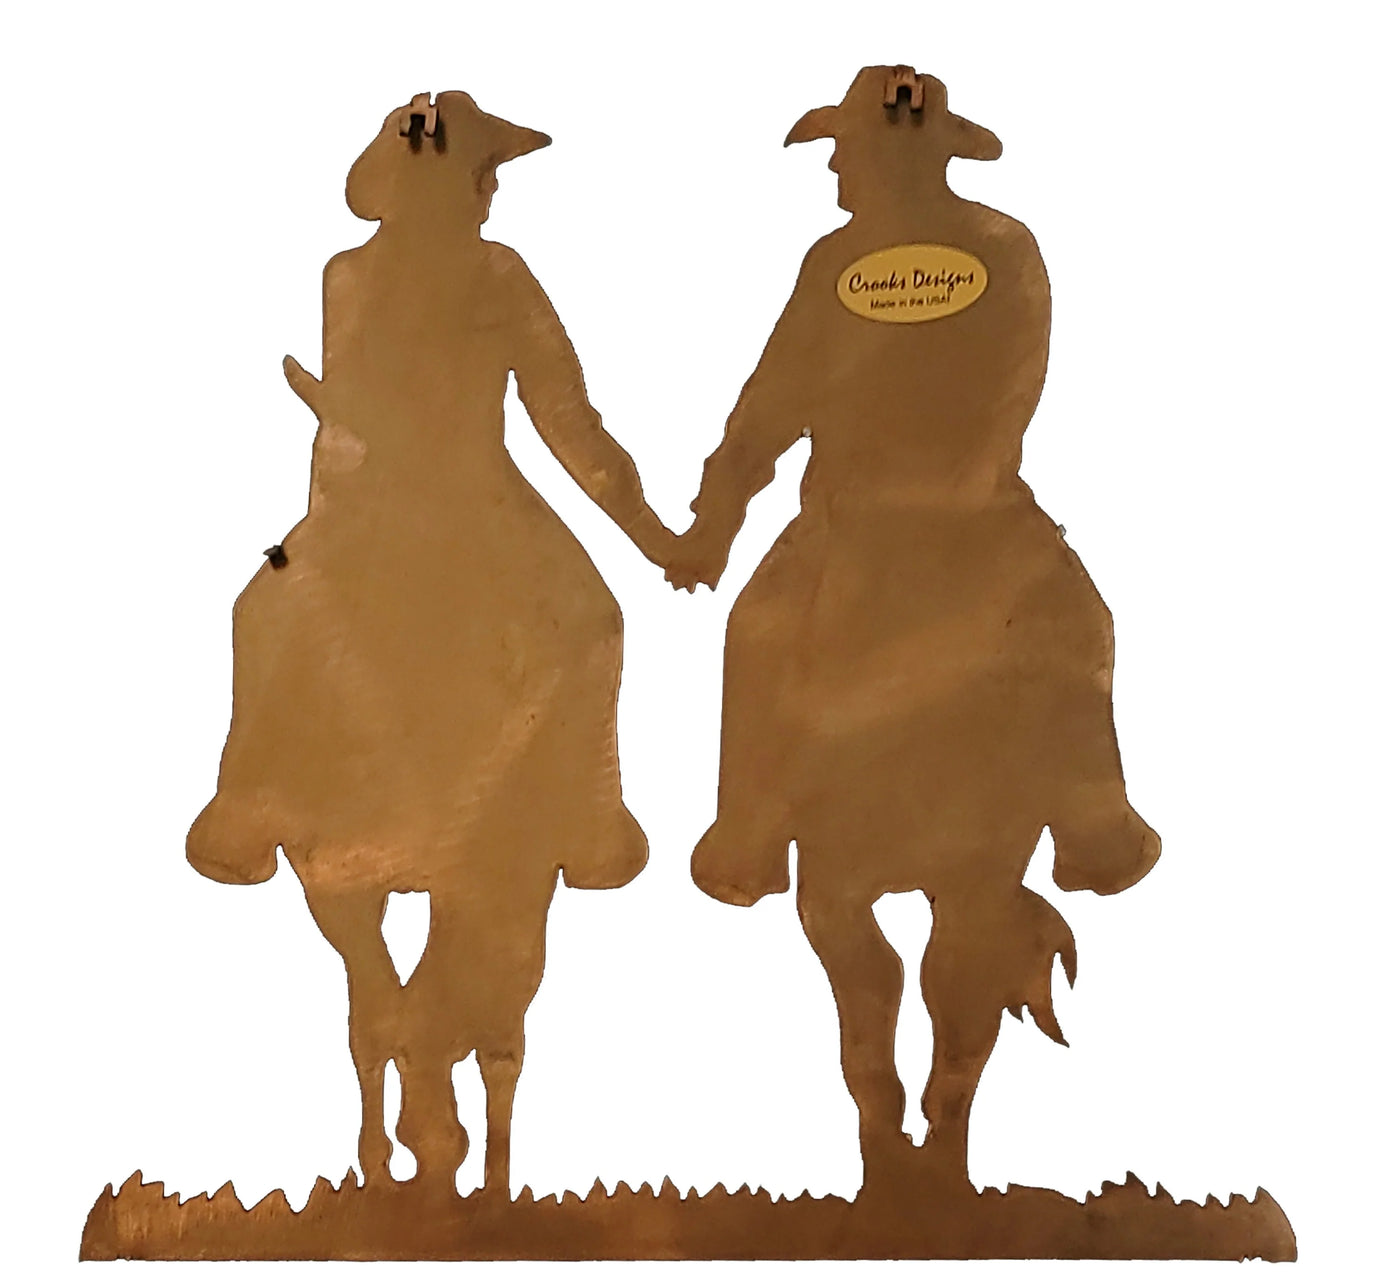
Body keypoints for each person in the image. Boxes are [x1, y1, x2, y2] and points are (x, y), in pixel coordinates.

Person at [667, 67, 1161, 1189]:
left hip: (914, 518)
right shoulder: (867, 259)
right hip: (927, 519)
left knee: (775, 630)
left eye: (848, 149)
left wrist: (722, 522)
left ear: (898, 155)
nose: (840, 166)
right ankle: (1079, 818)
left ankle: (759, 830)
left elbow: (995, 380)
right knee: (1054, 621)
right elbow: (776, 401)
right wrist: (723, 510)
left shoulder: (975, 252)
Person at [187, 92, 672, 1196]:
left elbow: (412, 429)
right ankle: (582, 817)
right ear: (442, 179)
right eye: (481, 171)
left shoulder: (391, 274)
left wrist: (330, 505)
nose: (489, 189)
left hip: (397, 511)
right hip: (441, 510)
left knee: (265, 606)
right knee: (588, 620)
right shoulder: (440, 276)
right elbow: (566, 420)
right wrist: (653, 535)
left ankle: (257, 802)